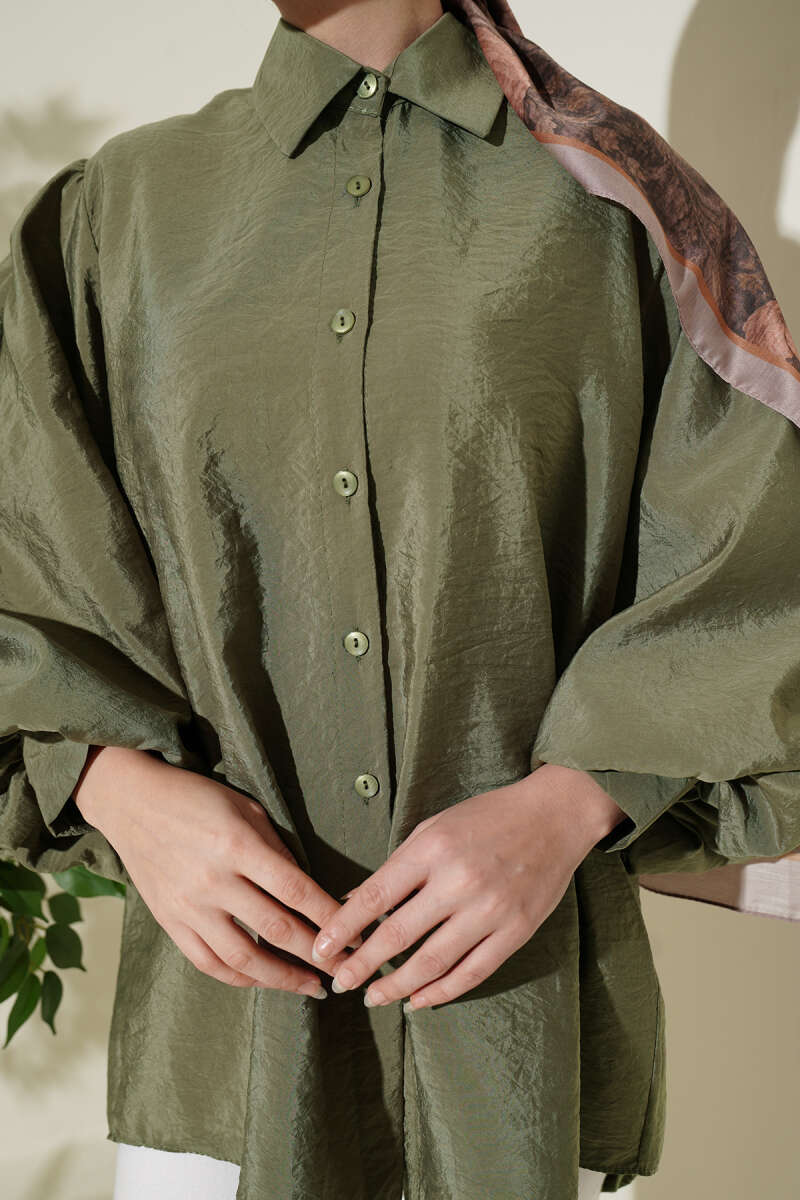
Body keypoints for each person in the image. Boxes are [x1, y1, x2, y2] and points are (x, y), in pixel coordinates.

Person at [2, 1, 798, 1198]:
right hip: (222, 1062)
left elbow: (760, 562)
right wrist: (116, 787)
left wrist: (569, 802)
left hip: (518, 1037)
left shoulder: (612, 202)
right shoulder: (114, 212)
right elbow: (22, 548)